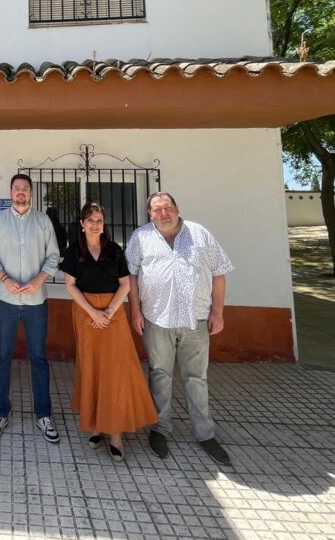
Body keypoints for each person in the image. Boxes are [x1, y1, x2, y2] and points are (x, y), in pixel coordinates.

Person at [125, 192, 234, 466]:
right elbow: (131, 276)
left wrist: (218, 311)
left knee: (196, 377)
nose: (163, 213)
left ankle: (205, 434)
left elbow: (219, 273)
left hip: (195, 320)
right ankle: (160, 429)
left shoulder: (200, 235)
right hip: (156, 319)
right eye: (157, 209)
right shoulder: (141, 237)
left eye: (167, 207)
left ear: (176, 208)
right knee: (159, 375)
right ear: (149, 214)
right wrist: (135, 311)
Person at [61, 202, 158, 462]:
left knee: (115, 372)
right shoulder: (73, 251)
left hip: (113, 315)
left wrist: (110, 311)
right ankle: (94, 427)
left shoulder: (115, 250)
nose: (95, 224)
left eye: (99, 220)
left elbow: (125, 284)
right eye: (90, 220)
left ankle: (115, 432)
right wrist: (94, 313)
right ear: (82, 224)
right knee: (91, 368)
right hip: (85, 313)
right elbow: (70, 286)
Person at [0, 173, 61, 443]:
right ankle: (0, 412)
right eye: (16, 188)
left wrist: (39, 280)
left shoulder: (43, 221)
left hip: (35, 301)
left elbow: (53, 255)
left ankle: (43, 414)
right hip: (5, 299)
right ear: (11, 191)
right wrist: (5, 279)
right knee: (2, 357)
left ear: (31, 193)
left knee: (38, 358)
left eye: (25, 189)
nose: (20, 193)